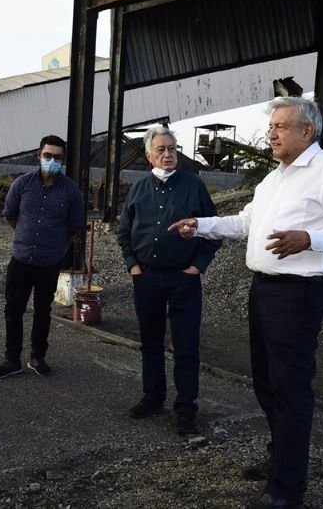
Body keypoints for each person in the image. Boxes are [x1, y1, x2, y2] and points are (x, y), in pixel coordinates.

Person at [169, 97, 323, 509]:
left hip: (299, 292)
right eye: (271, 126)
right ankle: (282, 460)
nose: (271, 133)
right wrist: (201, 225)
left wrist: (310, 238)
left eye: (280, 126)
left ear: (306, 131)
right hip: (264, 289)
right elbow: (245, 222)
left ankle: (287, 488)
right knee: (265, 381)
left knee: (290, 387)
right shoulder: (273, 179)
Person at [117, 126, 220, 436]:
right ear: (149, 155)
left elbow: (212, 230)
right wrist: (133, 266)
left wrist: (197, 266)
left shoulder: (194, 187)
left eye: (172, 148)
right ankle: (153, 397)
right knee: (150, 342)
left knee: (186, 345)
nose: (168, 154)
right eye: (160, 149)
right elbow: (124, 232)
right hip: (146, 278)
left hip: (183, 279)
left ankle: (186, 408)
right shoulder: (137, 189)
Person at [0, 135, 84, 379]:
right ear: (38, 156)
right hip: (21, 260)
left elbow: (74, 227)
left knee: (43, 311)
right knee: (13, 309)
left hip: (49, 263)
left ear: (63, 160)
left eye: (57, 157)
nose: (52, 161)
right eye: (47, 155)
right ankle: (12, 360)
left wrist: (52, 246)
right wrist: (26, 236)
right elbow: (10, 216)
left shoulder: (71, 191)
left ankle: (37, 357)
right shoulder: (21, 185)